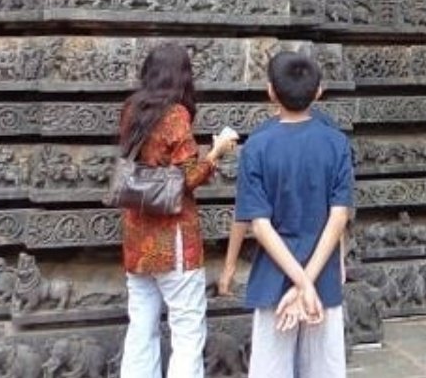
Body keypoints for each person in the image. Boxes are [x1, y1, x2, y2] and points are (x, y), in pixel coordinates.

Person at [118, 43, 237, 378]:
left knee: (141, 328)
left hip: (136, 237)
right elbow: (189, 178)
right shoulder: (175, 116)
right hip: (173, 241)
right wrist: (216, 153)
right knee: (187, 331)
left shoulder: (131, 109)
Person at [234, 51, 352, 378]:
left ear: (271, 91)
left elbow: (259, 225)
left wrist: (299, 285)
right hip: (322, 276)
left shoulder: (257, 146)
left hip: (274, 277)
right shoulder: (336, 143)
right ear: (318, 92)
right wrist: (309, 284)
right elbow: (338, 217)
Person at [217, 103, 347, 298]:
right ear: (318, 90)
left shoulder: (261, 139)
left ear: (272, 91)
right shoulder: (333, 137)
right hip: (322, 266)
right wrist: (339, 260)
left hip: (274, 268)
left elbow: (247, 208)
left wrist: (230, 266)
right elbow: (338, 211)